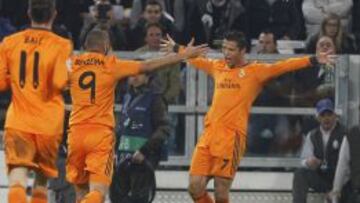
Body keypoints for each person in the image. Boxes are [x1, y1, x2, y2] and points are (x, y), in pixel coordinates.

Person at [161, 31, 336, 203]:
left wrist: (314, 59)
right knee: (194, 187)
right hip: (208, 136)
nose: (226, 53)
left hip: (232, 137)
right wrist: (176, 47)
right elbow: (195, 59)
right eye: (224, 48)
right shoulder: (218, 66)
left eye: (231, 49)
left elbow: (284, 65)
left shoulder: (255, 71)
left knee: (221, 193)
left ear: (243, 51)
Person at [66, 29, 207, 203]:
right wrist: (182, 55)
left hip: (76, 133)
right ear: (106, 46)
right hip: (99, 135)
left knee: (80, 191)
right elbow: (148, 66)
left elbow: (56, 84)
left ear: (85, 46)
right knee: (98, 192)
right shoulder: (111, 64)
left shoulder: (72, 64)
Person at [0, 0, 73, 202]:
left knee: (17, 179)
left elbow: (0, 82)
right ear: (54, 14)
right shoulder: (62, 45)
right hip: (48, 124)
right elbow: (60, 82)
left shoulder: (10, 42)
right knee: (41, 182)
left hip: (19, 121)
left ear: (29, 12)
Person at [110, 72, 170, 203]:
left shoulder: (156, 99)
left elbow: (164, 129)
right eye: (131, 74)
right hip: (123, 158)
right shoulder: (127, 97)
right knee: (117, 198)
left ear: (148, 77)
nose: (135, 77)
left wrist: (144, 151)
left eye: (140, 74)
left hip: (143, 159)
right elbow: (123, 127)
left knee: (139, 198)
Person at [292, 98, 345, 203]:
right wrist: (309, 162)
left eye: (329, 114)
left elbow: (349, 165)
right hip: (322, 179)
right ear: (317, 118)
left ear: (335, 116)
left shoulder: (344, 134)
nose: (326, 118)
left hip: (340, 180)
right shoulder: (312, 135)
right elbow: (303, 160)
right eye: (322, 115)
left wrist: (337, 188)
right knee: (300, 174)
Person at [329, 126, 360, 203]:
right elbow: (342, 167)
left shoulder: (352, 134)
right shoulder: (352, 134)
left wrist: (335, 195)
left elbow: (342, 166)